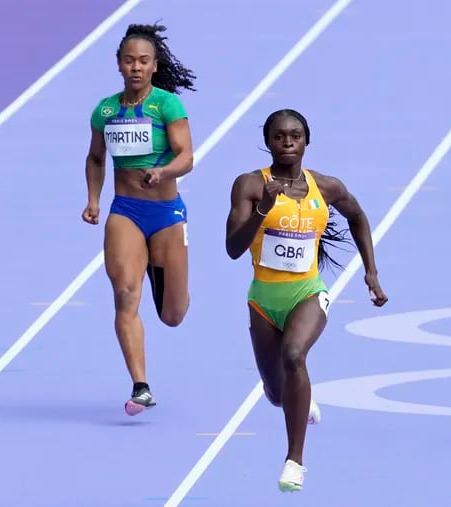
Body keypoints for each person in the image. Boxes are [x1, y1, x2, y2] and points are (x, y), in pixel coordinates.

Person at [225, 109, 388, 492]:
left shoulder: (326, 187)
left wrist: (371, 272)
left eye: (294, 136)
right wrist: (263, 209)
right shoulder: (249, 185)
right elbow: (232, 248)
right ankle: (299, 400)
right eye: (278, 136)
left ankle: (294, 461)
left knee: (295, 355)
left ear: (306, 141)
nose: (287, 143)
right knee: (277, 393)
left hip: (307, 292)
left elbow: (358, 216)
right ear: (267, 142)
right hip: (263, 299)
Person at [82, 23, 197, 416]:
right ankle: (141, 385)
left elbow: (186, 157)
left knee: (172, 315)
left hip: (165, 214)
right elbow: (96, 158)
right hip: (126, 211)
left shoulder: (167, 106)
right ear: (118, 65)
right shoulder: (106, 110)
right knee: (125, 294)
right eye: (128, 60)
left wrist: (164, 173)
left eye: (143, 61)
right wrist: (93, 200)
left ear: (154, 65)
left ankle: (158, 266)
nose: (135, 67)